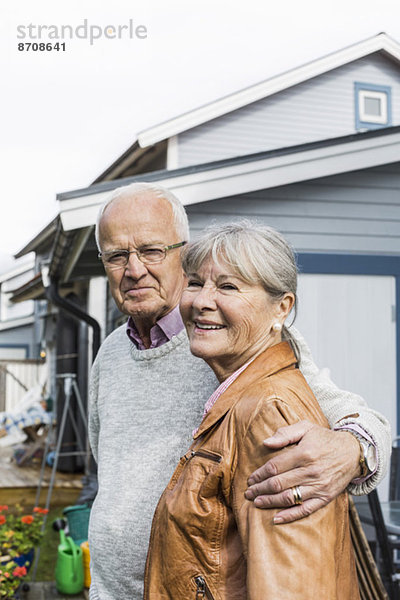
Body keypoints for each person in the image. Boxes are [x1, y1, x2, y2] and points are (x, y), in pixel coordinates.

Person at [88, 182, 389, 600]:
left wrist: (353, 450)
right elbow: (106, 463)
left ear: (182, 252)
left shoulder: (235, 340)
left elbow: (354, 415)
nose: (134, 269)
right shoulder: (110, 355)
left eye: (152, 251)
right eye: (117, 255)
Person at [144, 221, 360, 599]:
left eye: (228, 286)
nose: (201, 301)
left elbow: (294, 589)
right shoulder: (239, 390)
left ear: (282, 307)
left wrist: (358, 444)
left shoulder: (270, 412)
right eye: (195, 282)